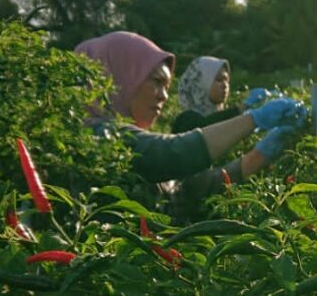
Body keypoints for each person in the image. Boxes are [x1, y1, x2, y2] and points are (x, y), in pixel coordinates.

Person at [73, 32, 304, 218]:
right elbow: (173, 154)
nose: (164, 95)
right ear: (116, 78)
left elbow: (190, 189)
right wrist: (253, 119)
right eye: (156, 81)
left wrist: (262, 153)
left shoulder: (129, 136)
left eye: (167, 86)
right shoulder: (95, 136)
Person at [171, 56, 277, 134]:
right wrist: (243, 107)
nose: (225, 85)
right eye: (218, 80)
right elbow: (206, 130)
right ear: (200, 83)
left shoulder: (219, 114)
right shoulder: (186, 120)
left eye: (226, 80)